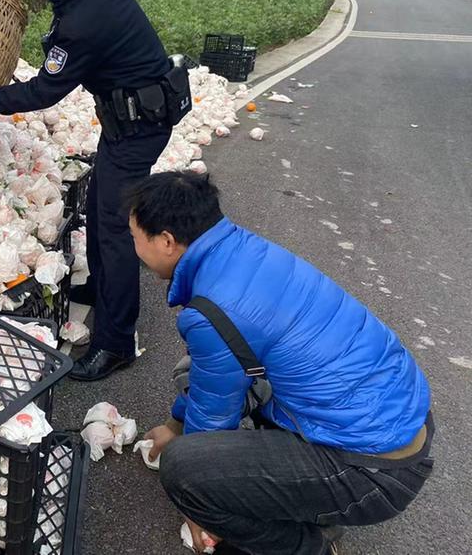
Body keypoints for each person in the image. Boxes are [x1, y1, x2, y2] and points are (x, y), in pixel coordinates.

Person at [127, 171, 433, 555]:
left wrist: (198, 499)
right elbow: (212, 382)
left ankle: (308, 546)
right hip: (400, 420)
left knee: (185, 469)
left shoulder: (212, 310)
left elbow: (210, 424)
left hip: (375, 471)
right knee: (202, 369)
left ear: (167, 242)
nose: (133, 248)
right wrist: (175, 423)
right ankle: (303, 500)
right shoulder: (243, 250)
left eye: (136, 238)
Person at [0, 0, 189, 382]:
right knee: (103, 201)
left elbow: (46, 89)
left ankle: (116, 342)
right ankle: (104, 290)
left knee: (115, 228)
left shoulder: (83, 24)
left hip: (139, 125)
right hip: (128, 116)